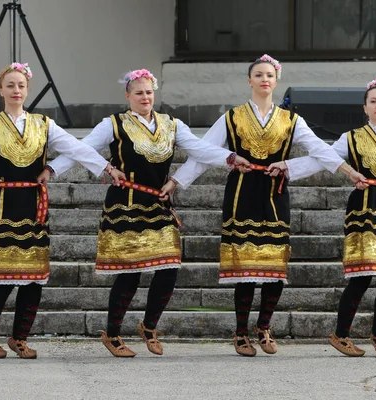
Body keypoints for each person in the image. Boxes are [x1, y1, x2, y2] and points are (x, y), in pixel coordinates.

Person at [171, 55, 366, 357]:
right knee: (246, 268)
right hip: (242, 192)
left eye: (269, 75)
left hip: (275, 194)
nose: (264, 80)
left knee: (274, 268)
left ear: (277, 81)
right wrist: (175, 182)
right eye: (258, 75)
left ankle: (264, 326)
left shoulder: (291, 120)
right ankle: (240, 333)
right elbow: (203, 153)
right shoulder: (232, 117)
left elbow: (319, 151)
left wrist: (348, 171)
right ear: (249, 80)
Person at [47, 68, 249, 357]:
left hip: (158, 204)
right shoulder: (113, 125)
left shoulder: (172, 125)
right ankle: (113, 333)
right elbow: (80, 149)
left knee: (169, 268)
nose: (145, 97)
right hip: (125, 205)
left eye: (149, 92)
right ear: (128, 95)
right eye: (139, 92)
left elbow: (200, 149)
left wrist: (229, 157)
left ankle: (149, 326)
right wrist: (52, 168)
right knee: (130, 273)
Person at [0, 63, 124, 359]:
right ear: (1, 90)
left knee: (34, 278)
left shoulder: (44, 124)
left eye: (20, 85)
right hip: (0, 206)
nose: (16, 90)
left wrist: (106, 168)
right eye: (10, 85)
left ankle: (20, 337)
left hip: (33, 206)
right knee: (1, 278)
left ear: (27, 89)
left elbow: (76, 148)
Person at [285, 77, 376, 357]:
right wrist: (287, 167)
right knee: (362, 276)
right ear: (364, 108)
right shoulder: (351, 138)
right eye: (373, 101)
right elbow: (323, 158)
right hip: (363, 207)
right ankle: (341, 335)